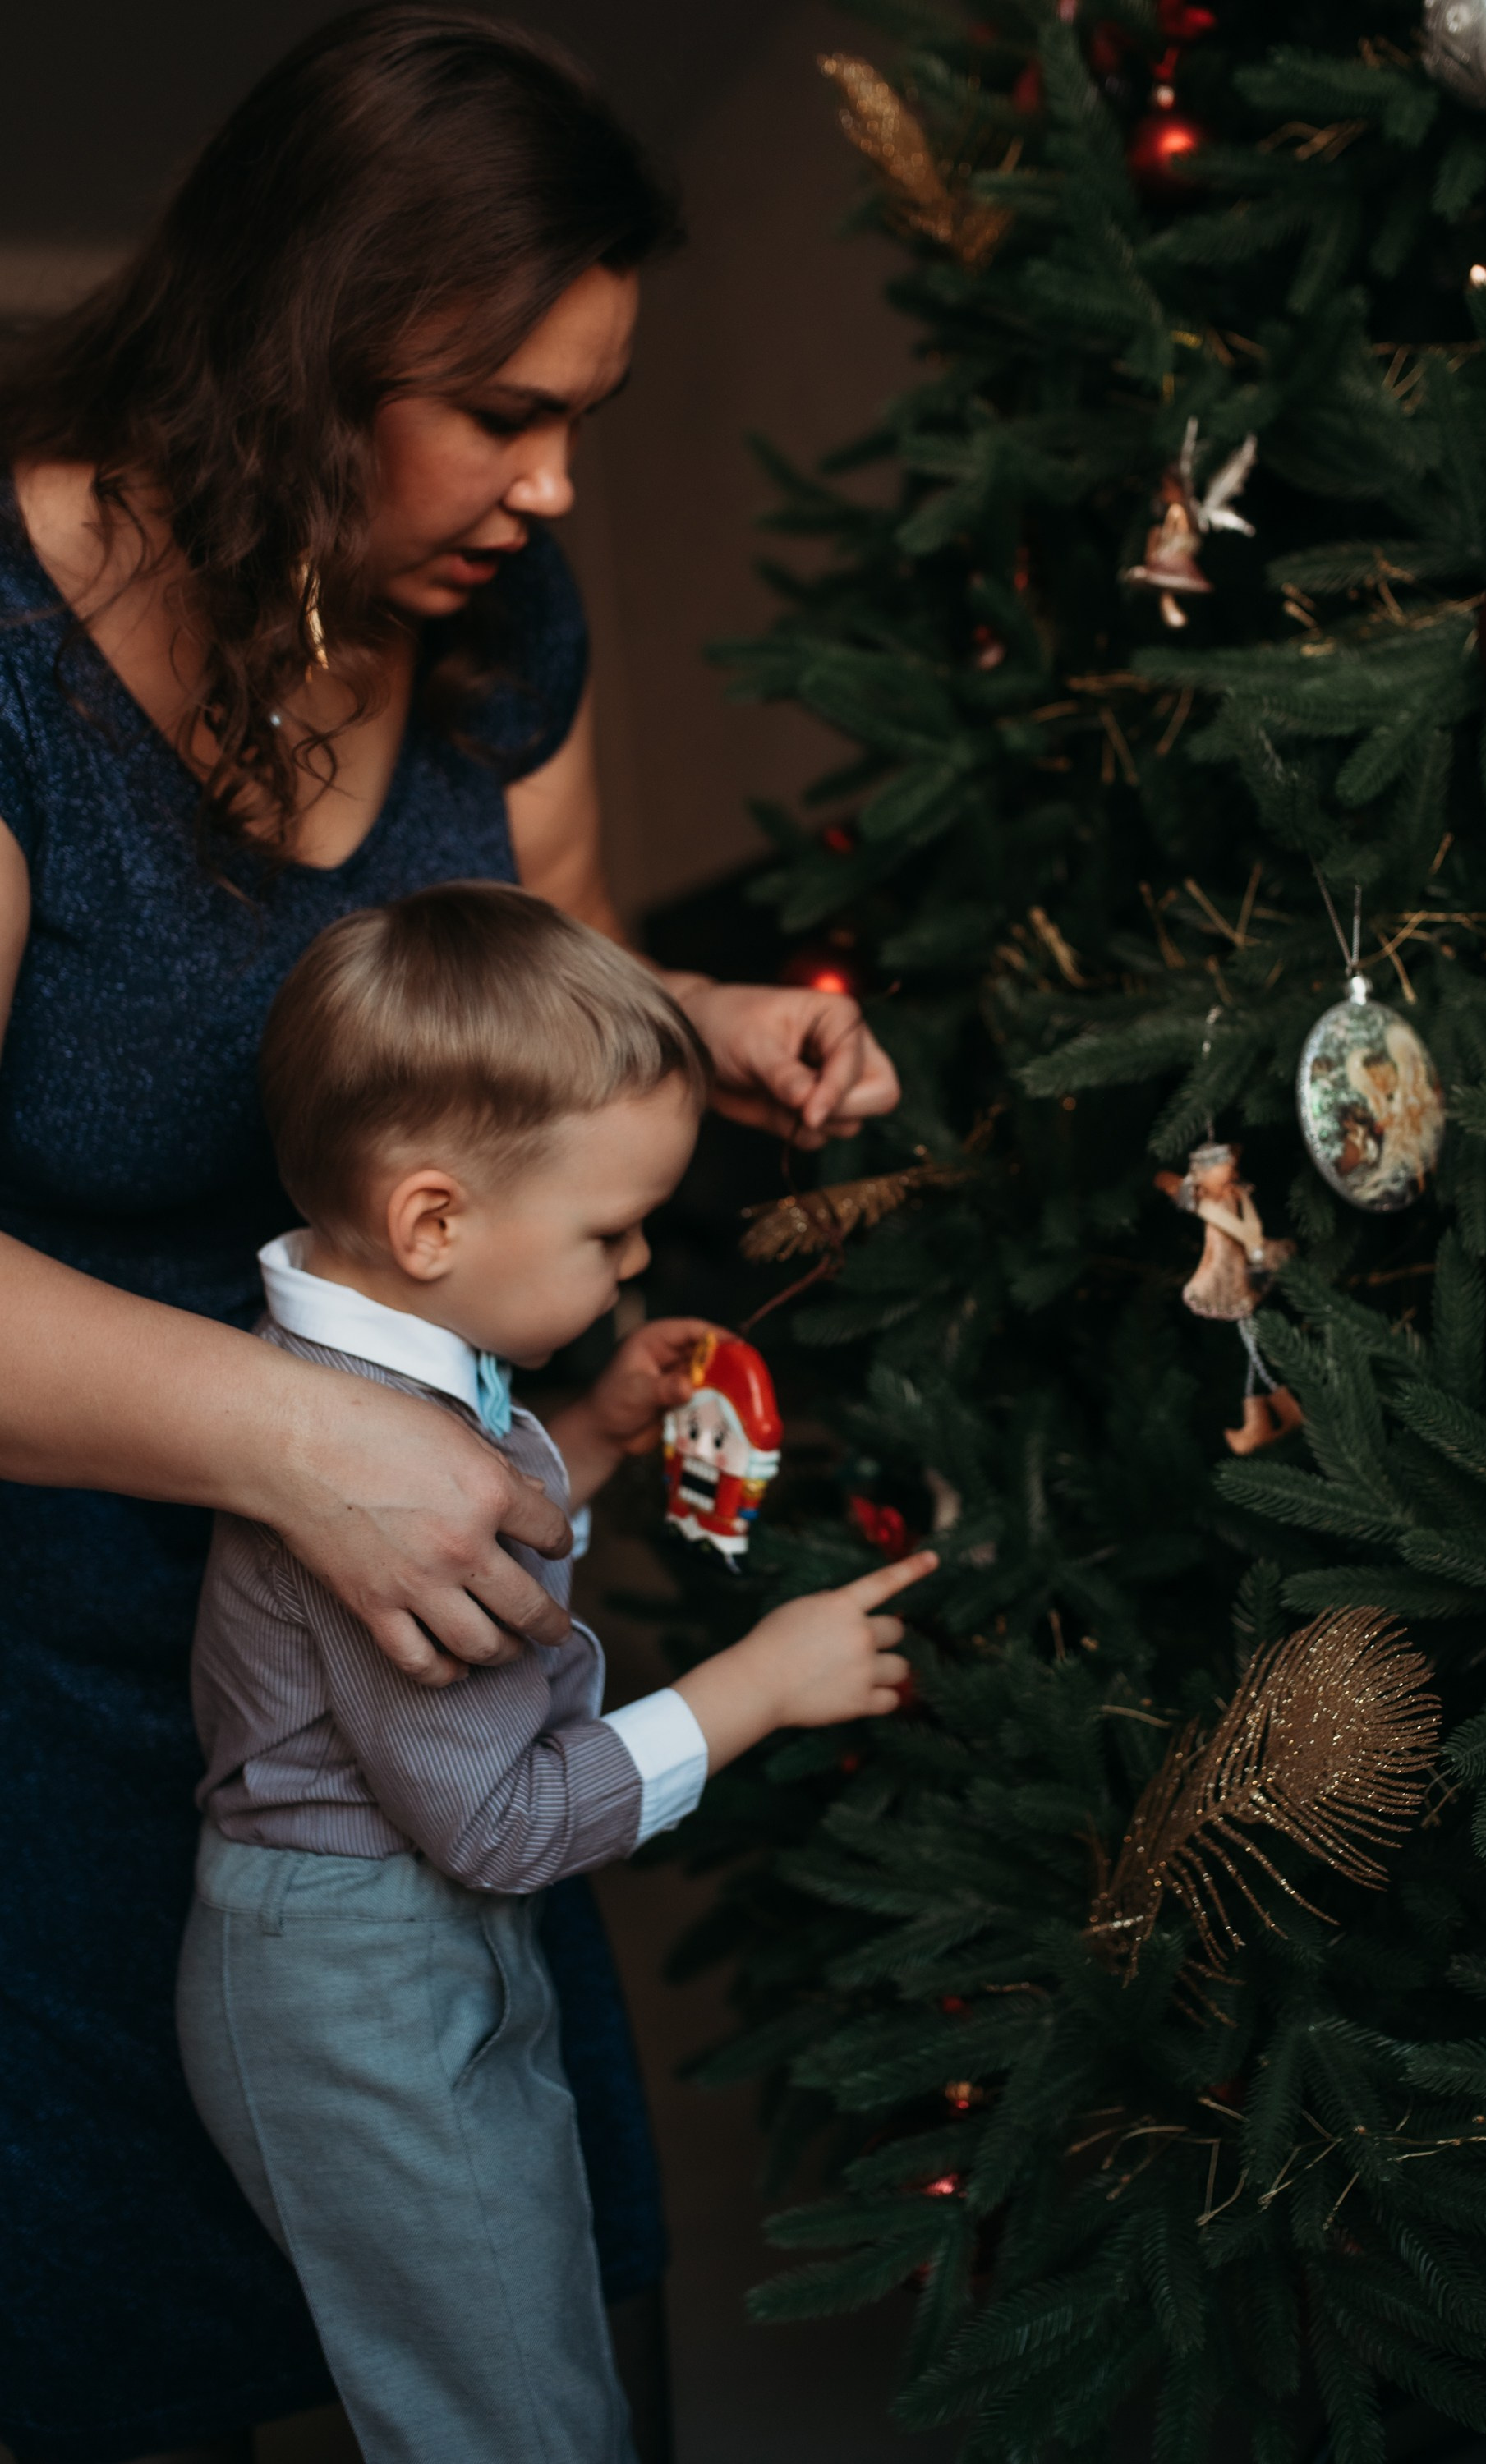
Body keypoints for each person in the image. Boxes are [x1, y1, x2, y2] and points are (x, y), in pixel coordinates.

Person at [0, 11, 899, 2462]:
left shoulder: (502, 631)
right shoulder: (7, 652)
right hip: (60, 1701)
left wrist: (693, 1017)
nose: (553, 480)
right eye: (500, 411)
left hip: (412, 1679)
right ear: (302, 345)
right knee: (129, 2351)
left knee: (519, 2330)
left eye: (582, 415)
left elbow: (551, 991)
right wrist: (303, 1443)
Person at [176, 885, 934, 2463]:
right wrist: (753, 1689)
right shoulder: (353, 1471)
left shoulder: (389, 1368)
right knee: (505, 2420)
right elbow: (501, 1822)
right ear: (435, 1224)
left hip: (413, 1941)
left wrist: (582, 1435)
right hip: (358, 1980)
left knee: (534, 2359)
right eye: (611, 1233)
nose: (643, 1257)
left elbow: (480, 1547)